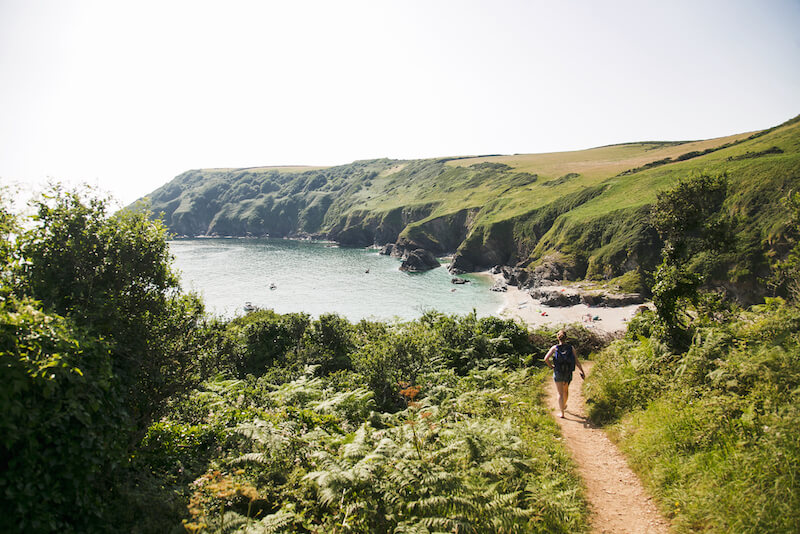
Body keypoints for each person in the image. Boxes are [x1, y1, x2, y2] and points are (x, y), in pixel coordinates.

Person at [543, 330, 585, 418]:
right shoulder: (571, 348)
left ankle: (562, 413)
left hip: (558, 371)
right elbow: (577, 361)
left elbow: (546, 359)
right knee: (565, 390)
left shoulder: (555, 348)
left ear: (557, 338)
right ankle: (564, 404)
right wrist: (582, 371)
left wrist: (552, 366)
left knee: (560, 393)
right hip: (568, 372)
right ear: (566, 338)